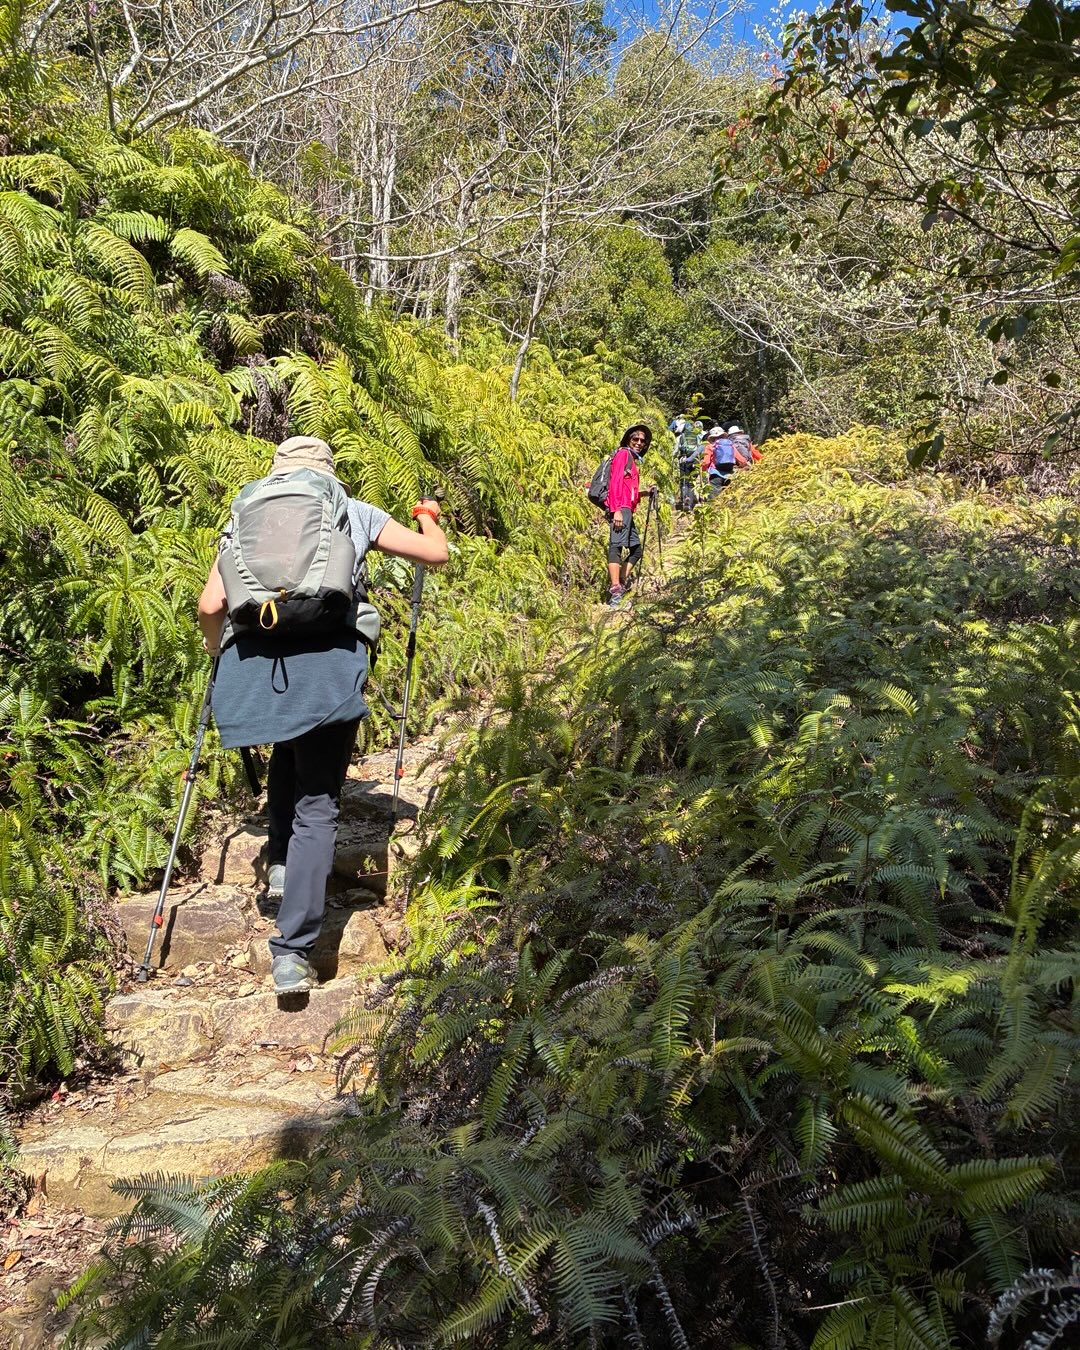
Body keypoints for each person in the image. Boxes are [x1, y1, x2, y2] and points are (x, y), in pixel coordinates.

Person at [197, 435, 448, 994]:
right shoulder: (350, 510)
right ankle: (292, 953)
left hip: (255, 660)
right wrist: (428, 517)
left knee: (288, 745)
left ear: (277, 473)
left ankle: (283, 863)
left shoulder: (244, 516)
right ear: (326, 472)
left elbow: (210, 606)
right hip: (329, 664)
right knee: (319, 802)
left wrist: (222, 656)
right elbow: (436, 554)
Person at [605, 423, 652, 608]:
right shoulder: (623, 454)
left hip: (627, 509)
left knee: (636, 550)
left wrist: (644, 493)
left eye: (642, 440)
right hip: (620, 509)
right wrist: (616, 509)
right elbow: (615, 483)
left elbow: (627, 490)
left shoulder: (631, 459)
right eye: (636, 439)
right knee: (616, 546)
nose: (639, 443)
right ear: (628, 440)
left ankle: (622, 582)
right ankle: (616, 592)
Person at [702, 425, 735, 496]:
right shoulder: (730, 445)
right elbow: (740, 459)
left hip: (715, 475)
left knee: (714, 499)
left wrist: (703, 470)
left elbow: (706, 462)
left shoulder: (710, 446)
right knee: (727, 498)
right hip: (729, 475)